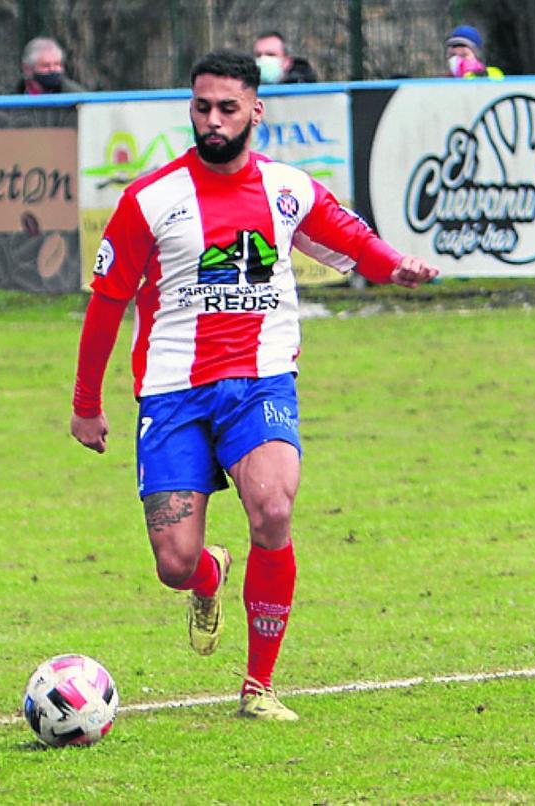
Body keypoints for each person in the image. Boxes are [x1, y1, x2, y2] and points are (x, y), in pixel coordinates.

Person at [69, 50, 438, 721]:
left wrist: (395, 266)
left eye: (228, 108)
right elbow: (106, 303)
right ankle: (209, 573)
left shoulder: (287, 190)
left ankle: (258, 687)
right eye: (202, 106)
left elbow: (349, 238)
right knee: (172, 565)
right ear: (191, 107)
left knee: (271, 510)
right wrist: (85, 405)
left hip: (261, 384)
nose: (213, 120)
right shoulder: (149, 200)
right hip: (173, 394)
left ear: (255, 111)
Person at [15, 36, 87, 94]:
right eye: (46, 65)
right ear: (27, 69)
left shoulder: (76, 95)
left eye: (57, 64)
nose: (52, 69)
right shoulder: (15, 94)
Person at [252, 31, 318, 84]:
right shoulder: (246, 91)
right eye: (258, 55)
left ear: (287, 62)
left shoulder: (304, 89)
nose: (263, 59)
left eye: (271, 55)